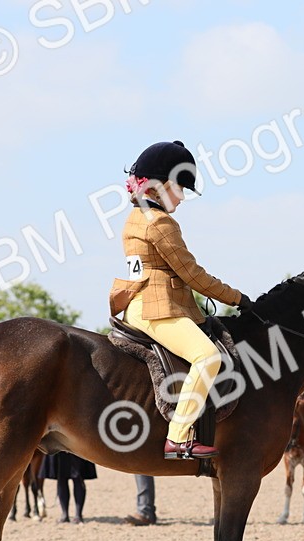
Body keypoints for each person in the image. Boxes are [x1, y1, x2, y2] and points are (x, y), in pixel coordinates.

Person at [108, 140, 253, 460]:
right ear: (162, 186)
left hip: (138, 302)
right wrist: (238, 299)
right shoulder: (159, 222)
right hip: (156, 306)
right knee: (208, 357)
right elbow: (192, 275)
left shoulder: (136, 216)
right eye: (180, 189)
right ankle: (177, 437)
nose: (183, 198)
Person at [39, 452, 97, 524]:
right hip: (60, 447)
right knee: (61, 478)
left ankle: (78, 515)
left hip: (76, 446)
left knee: (77, 477)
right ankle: (65, 514)